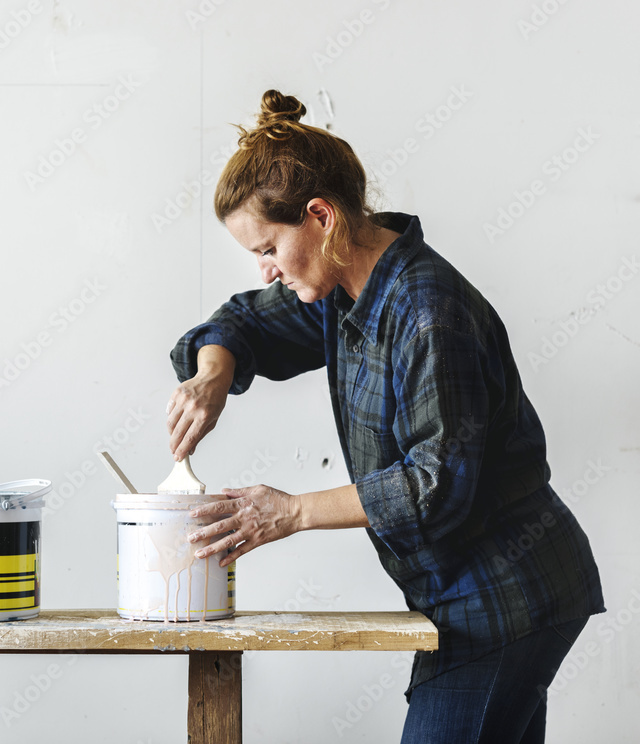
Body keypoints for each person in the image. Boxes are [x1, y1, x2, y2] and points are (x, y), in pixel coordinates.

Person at [166, 89, 604, 743]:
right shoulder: (342, 289)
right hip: (469, 599)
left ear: (319, 216)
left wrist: (288, 511)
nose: (264, 271)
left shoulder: (428, 311)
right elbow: (241, 324)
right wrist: (211, 378)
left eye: (266, 248)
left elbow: (435, 487)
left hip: (507, 597)